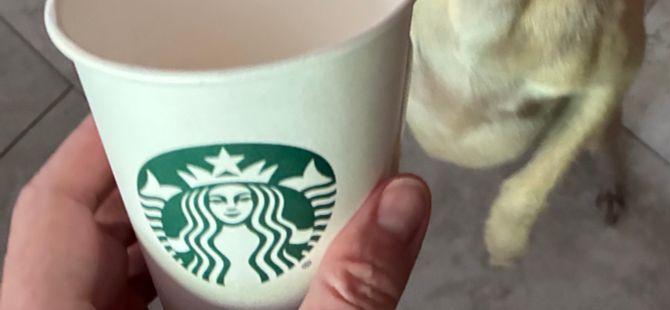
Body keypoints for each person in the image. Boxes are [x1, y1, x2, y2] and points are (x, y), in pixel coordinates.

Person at [0, 117, 431, 310]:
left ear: (262, 202)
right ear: (199, 204)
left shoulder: (272, 243)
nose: (228, 206)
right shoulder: (204, 247)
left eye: (240, 198)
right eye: (217, 200)